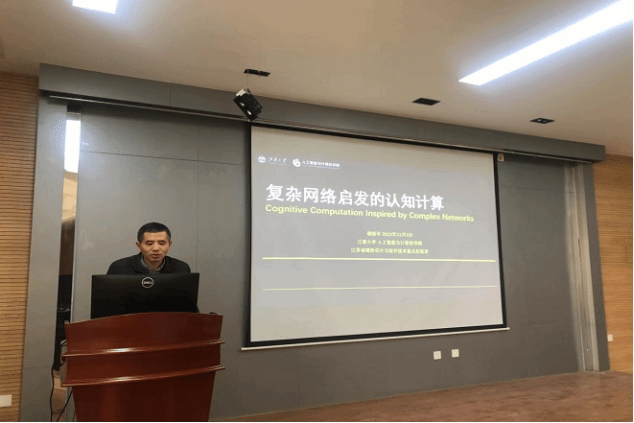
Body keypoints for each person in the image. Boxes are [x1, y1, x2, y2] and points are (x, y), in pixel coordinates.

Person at [107, 222, 191, 274]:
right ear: (139, 246)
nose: (156, 249)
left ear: (169, 244)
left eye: (162, 243)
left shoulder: (181, 268)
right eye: (149, 243)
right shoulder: (119, 268)